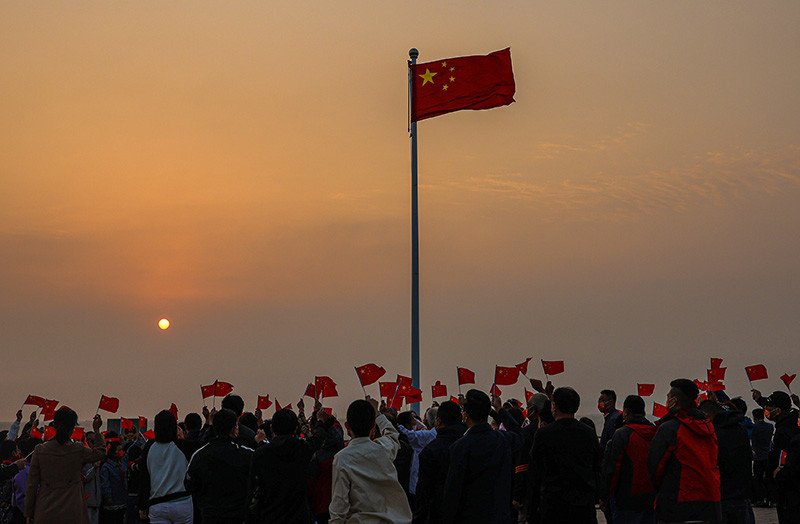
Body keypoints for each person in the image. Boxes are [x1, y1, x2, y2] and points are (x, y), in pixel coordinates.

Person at [442, 390, 522, 524]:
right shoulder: (504, 440)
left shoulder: (460, 447)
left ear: (465, 415)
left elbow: (453, 493)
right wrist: (498, 410)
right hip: (500, 517)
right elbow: (518, 432)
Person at [647, 379, 721, 524]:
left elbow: (655, 467)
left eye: (668, 397)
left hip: (679, 502)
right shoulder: (709, 428)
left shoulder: (669, 429)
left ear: (674, 401)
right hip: (711, 500)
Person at [329, 396, 412, 524]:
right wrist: (378, 414)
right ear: (373, 426)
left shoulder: (342, 458)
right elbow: (392, 434)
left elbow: (339, 507)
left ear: (347, 426)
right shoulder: (383, 449)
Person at [527, 386, 600, 524]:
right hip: (583, 507)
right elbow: (597, 467)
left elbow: (534, 474)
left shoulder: (543, 434)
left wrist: (531, 513)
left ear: (554, 407)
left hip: (553, 506)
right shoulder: (588, 433)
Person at [248, 401, 330, 523]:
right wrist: (320, 421)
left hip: (269, 516)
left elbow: (253, 490)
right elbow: (319, 437)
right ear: (295, 429)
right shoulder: (303, 448)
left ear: (272, 428)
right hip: (298, 517)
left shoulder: (260, 453)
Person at [24, 408, 106, 523]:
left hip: (46, 510)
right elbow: (101, 453)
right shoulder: (78, 449)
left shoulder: (40, 450)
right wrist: (97, 430)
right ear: (72, 428)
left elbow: (32, 485)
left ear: (55, 426)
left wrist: (28, 513)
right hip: (73, 510)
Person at [186, 408, 253, 524]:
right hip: (239, 516)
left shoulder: (200, 455)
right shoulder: (247, 455)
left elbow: (189, 483)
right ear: (235, 429)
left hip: (210, 515)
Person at [600, 395, 656, 524]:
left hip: (627, 500)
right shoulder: (656, 433)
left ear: (625, 412)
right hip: (651, 498)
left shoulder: (622, 434)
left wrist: (605, 497)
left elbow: (613, 469)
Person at [138, 410, 198, 524]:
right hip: (182, 502)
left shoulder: (149, 446)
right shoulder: (183, 446)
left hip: (157, 504)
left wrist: (142, 505)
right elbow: (203, 445)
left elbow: (144, 478)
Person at [699, 399, 752, 524]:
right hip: (741, 494)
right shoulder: (740, 429)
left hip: (720, 495)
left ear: (706, 414)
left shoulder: (713, 434)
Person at [414, 400, 466, 524]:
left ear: (438, 421)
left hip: (439, 512)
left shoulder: (431, 450)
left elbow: (424, 492)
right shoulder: (470, 444)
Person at [761, 391, 800, 524]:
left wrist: (779, 475)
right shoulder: (787, 424)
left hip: (788, 490)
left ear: (778, 410)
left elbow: (788, 460)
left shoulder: (785, 431)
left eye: (770, 408)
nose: (767, 411)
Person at [511, 392, 548, 522]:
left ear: (534, 409)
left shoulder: (528, 432)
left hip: (531, 487)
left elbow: (522, 464)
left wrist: (517, 493)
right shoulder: (551, 429)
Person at [396, 409, 437, 508]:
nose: (416, 421)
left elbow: (409, 434)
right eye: (413, 419)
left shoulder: (427, 435)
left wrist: (399, 425)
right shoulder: (428, 434)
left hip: (416, 483)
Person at [100, 441, 127, 524]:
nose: (121, 452)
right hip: (112, 500)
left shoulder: (121, 463)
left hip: (122, 498)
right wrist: (108, 497)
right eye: (119, 450)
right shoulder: (106, 467)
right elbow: (105, 483)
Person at [750, 408, 774, 507]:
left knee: (758, 478)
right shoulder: (770, 426)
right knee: (768, 478)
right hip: (767, 454)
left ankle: (759, 499)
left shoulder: (754, 427)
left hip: (758, 455)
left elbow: (753, 440)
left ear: (754, 417)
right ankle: (769, 498)